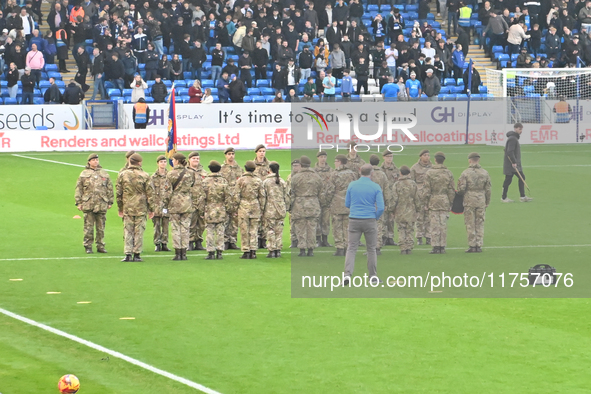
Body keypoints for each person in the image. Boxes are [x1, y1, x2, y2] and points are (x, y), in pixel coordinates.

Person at [343, 164, 385, 286]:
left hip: (354, 219)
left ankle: (347, 274)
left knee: (351, 248)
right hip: (369, 219)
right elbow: (381, 207)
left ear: (360, 172)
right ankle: (373, 276)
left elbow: (347, 203)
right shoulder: (375, 187)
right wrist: (375, 216)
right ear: (372, 173)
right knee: (371, 249)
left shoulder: (352, 185)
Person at [116, 153, 155, 262]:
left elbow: (118, 193)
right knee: (139, 231)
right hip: (141, 207)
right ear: (139, 162)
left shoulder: (122, 174)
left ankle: (128, 253)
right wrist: (151, 209)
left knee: (128, 230)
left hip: (128, 206)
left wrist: (120, 208)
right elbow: (150, 194)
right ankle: (137, 254)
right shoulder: (145, 175)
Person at [75, 153, 114, 254]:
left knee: (101, 227)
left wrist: (110, 201)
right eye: (93, 160)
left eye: (97, 160)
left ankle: (100, 245)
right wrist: (78, 202)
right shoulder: (84, 174)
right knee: (88, 227)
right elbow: (79, 188)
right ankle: (88, 246)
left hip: (101, 203)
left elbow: (109, 188)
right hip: (88, 204)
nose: (95, 161)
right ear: (89, 162)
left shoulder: (104, 173)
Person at [166, 153, 200, 261]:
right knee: (185, 228)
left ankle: (177, 252)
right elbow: (194, 188)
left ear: (176, 161)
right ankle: (184, 252)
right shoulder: (191, 173)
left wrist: (165, 204)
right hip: (187, 202)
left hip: (175, 203)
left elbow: (167, 192)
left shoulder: (171, 174)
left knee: (176, 228)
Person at [457, 152, 492, 253]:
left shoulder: (465, 173)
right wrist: (487, 201)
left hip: (469, 200)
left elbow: (461, 188)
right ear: (478, 160)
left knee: (470, 223)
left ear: (469, 160)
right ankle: (479, 244)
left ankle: (472, 245)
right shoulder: (485, 173)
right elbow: (488, 189)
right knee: (480, 222)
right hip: (481, 199)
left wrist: (460, 194)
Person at [291, 156, 323, 257]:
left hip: (299, 204)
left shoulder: (296, 177)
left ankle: (302, 249)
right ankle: (311, 249)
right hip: (313, 203)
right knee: (312, 228)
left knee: (300, 227)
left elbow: (292, 193)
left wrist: (290, 206)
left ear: (301, 165)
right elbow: (321, 192)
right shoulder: (316, 176)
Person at [423, 152, 456, 254]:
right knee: (443, 224)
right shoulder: (448, 173)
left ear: (435, 160)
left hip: (433, 200)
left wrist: (425, 202)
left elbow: (427, 190)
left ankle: (435, 246)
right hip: (444, 199)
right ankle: (442, 246)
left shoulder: (429, 173)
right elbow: (451, 189)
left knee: (434, 224)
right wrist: (450, 202)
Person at [325, 154, 357, 256]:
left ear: (339, 162)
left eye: (336, 161)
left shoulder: (335, 174)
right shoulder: (352, 174)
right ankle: (348, 246)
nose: (334, 163)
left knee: (337, 227)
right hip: (349, 204)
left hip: (337, 204)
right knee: (348, 227)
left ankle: (340, 247)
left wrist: (327, 202)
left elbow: (330, 190)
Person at [235, 160, 266, 259]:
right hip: (255, 205)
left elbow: (236, 195)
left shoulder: (241, 180)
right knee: (254, 229)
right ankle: (253, 250)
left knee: (244, 230)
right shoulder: (258, 180)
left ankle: (246, 251)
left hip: (243, 205)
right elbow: (262, 196)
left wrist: (236, 207)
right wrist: (262, 207)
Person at [388, 165, 420, 254]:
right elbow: (416, 198)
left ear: (400, 173)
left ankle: (402, 247)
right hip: (411, 210)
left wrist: (391, 209)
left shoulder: (397, 184)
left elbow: (394, 199)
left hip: (400, 210)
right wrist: (418, 209)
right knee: (410, 229)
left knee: (401, 229)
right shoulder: (413, 184)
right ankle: (409, 247)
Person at [202, 160, 231, 260]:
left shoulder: (205, 181)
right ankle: (219, 252)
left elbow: (202, 197)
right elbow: (228, 197)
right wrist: (228, 208)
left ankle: (210, 252)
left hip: (209, 208)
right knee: (220, 231)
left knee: (210, 230)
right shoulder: (224, 181)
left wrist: (201, 210)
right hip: (221, 208)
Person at [262, 161, 290, 258]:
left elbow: (263, 197)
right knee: (279, 230)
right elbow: (287, 196)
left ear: (269, 170)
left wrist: (262, 209)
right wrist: (287, 207)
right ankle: (278, 250)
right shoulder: (282, 181)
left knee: (270, 229)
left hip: (269, 209)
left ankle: (271, 249)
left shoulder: (266, 182)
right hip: (280, 208)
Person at [502, 123, 533, 202]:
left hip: (514, 163)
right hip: (511, 164)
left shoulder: (514, 138)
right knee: (509, 179)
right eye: (519, 129)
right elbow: (510, 151)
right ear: (515, 129)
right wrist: (513, 162)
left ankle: (522, 196)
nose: (521, 131)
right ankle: (504, 197)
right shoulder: (513, 139)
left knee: (521, 177)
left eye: (521, 129)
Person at [220, 147, 242, 250]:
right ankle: (225, 240)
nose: (231, 156)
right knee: (225, 219)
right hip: (225, 197)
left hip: (236, 197)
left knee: (234, 220)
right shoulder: (222, 168)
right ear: (225, 155)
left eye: (232, 154)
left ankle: (232, 241)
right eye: (229, 154)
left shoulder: (239, 168)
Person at [411, 149, 433, 245]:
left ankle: (428, 236)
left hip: (429, 194)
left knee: (429, 217)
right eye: (424, 155)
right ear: (420, 156)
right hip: (419, 194)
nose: (427, 157)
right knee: (419, 217)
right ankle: (419, 236)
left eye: (428, 155)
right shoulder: (415, 168)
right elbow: (411, 182)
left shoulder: (433, 167)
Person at [369, 154, 389, 255]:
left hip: (369, 202)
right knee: (379, 225)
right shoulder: (382, 174)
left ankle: (371, 247)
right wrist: (386, 203)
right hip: (379, 201)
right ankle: (377, 247)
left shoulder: (367, 174)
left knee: (369, 225)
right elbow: (386, 190)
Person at [187, 151, 206, 251]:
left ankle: (198, 241)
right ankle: (190, 241)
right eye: (194, 158)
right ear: (189, 160)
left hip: (201, 201)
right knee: (191, 223)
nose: (196, 160)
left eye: (197, 159)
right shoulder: (186, 172)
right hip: (190, 200)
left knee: (201, 223)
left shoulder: (203, 172)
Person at [152, 155, 171, 252]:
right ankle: (157, 243)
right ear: (158, 163)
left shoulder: (170, 175)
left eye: (164, 162)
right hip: (156, 205)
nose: (163, 163)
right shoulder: (153, 177)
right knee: (156, 225)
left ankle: (164, 243)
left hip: (166, 204)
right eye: (161, 162)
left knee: (166, 225)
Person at [314, 151, 333, 247]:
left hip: (327, 199)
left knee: (325, 220)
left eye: (324, 157)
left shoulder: (331, 170)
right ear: (318, 158)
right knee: (317, 219)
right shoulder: (314, 171)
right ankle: (318, 239)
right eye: (321, 157)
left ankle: (325, 240)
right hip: (317, 199)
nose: (323, 159)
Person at [381, 150, 399, 246]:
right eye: (388, 157)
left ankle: (390, 237)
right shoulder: (381, 169)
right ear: (384, 157)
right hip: (383, 196)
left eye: (391, 156)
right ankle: (383, 237)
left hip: (392, 196)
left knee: (391, 218)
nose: (389, 158)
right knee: (383, 218)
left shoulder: (396, 169)